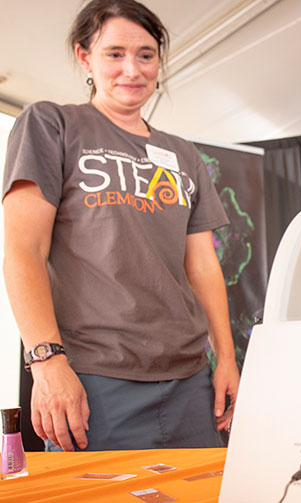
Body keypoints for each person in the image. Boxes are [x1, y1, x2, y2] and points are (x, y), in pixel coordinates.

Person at [2, 0, 239, 451]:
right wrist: (47, 363)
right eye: (114, 54)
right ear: (84, 57)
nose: (132, 69)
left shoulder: (184, 154)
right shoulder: (52, 124)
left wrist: (225, 357)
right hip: (95, 380)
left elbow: (203, 265)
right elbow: (22, 250)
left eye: (146, 55)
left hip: (191, 382)